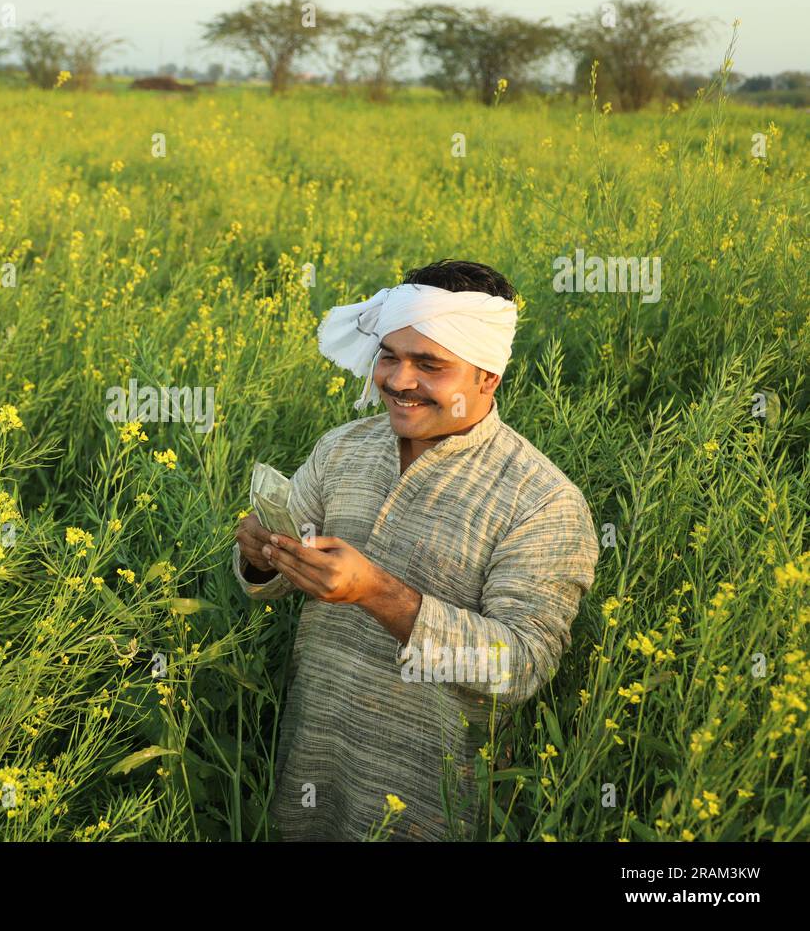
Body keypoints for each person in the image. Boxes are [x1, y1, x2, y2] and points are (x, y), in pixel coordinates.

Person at [233, 259, 599, 841]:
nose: (399, 381)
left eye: (430, 364)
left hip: (429, 805)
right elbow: (274, 576)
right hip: (313, 764)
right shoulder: (341, 450)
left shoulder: (541, 500)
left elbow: (522, 663)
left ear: (488, 378)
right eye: (389, 355)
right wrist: (260, 554)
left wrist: (377, 594)